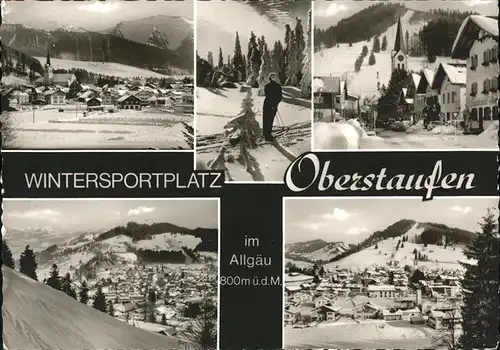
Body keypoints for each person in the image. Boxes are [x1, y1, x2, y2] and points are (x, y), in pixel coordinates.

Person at [262, 72, 282, 141]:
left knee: (265, 119)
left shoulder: (266, 86)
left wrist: (272, 104)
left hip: (267, 105)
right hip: (273, 105)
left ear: (270, 78)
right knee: (270, 120)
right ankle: (268, 134)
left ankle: (265, 134)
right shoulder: (278, 86)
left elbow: (267, 96)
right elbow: (279, 97)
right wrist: (275, 104)